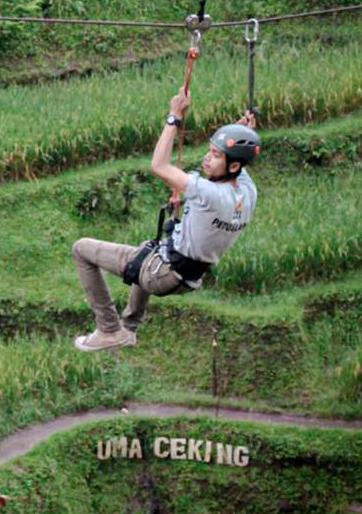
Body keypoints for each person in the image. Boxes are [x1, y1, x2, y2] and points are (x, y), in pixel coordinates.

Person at [71, 87, 260, 351]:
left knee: (81, 249)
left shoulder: (210, 193)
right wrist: (243, 132)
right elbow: (242, 159)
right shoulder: (248, 193)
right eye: (210, 150)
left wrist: (173, 117)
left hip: (162, 274)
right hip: (187, 278)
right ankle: (130, 328)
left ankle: (109, 329)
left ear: (234, 166)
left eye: (215, 155)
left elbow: (159, 166)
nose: (207, 158)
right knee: (147, 248)